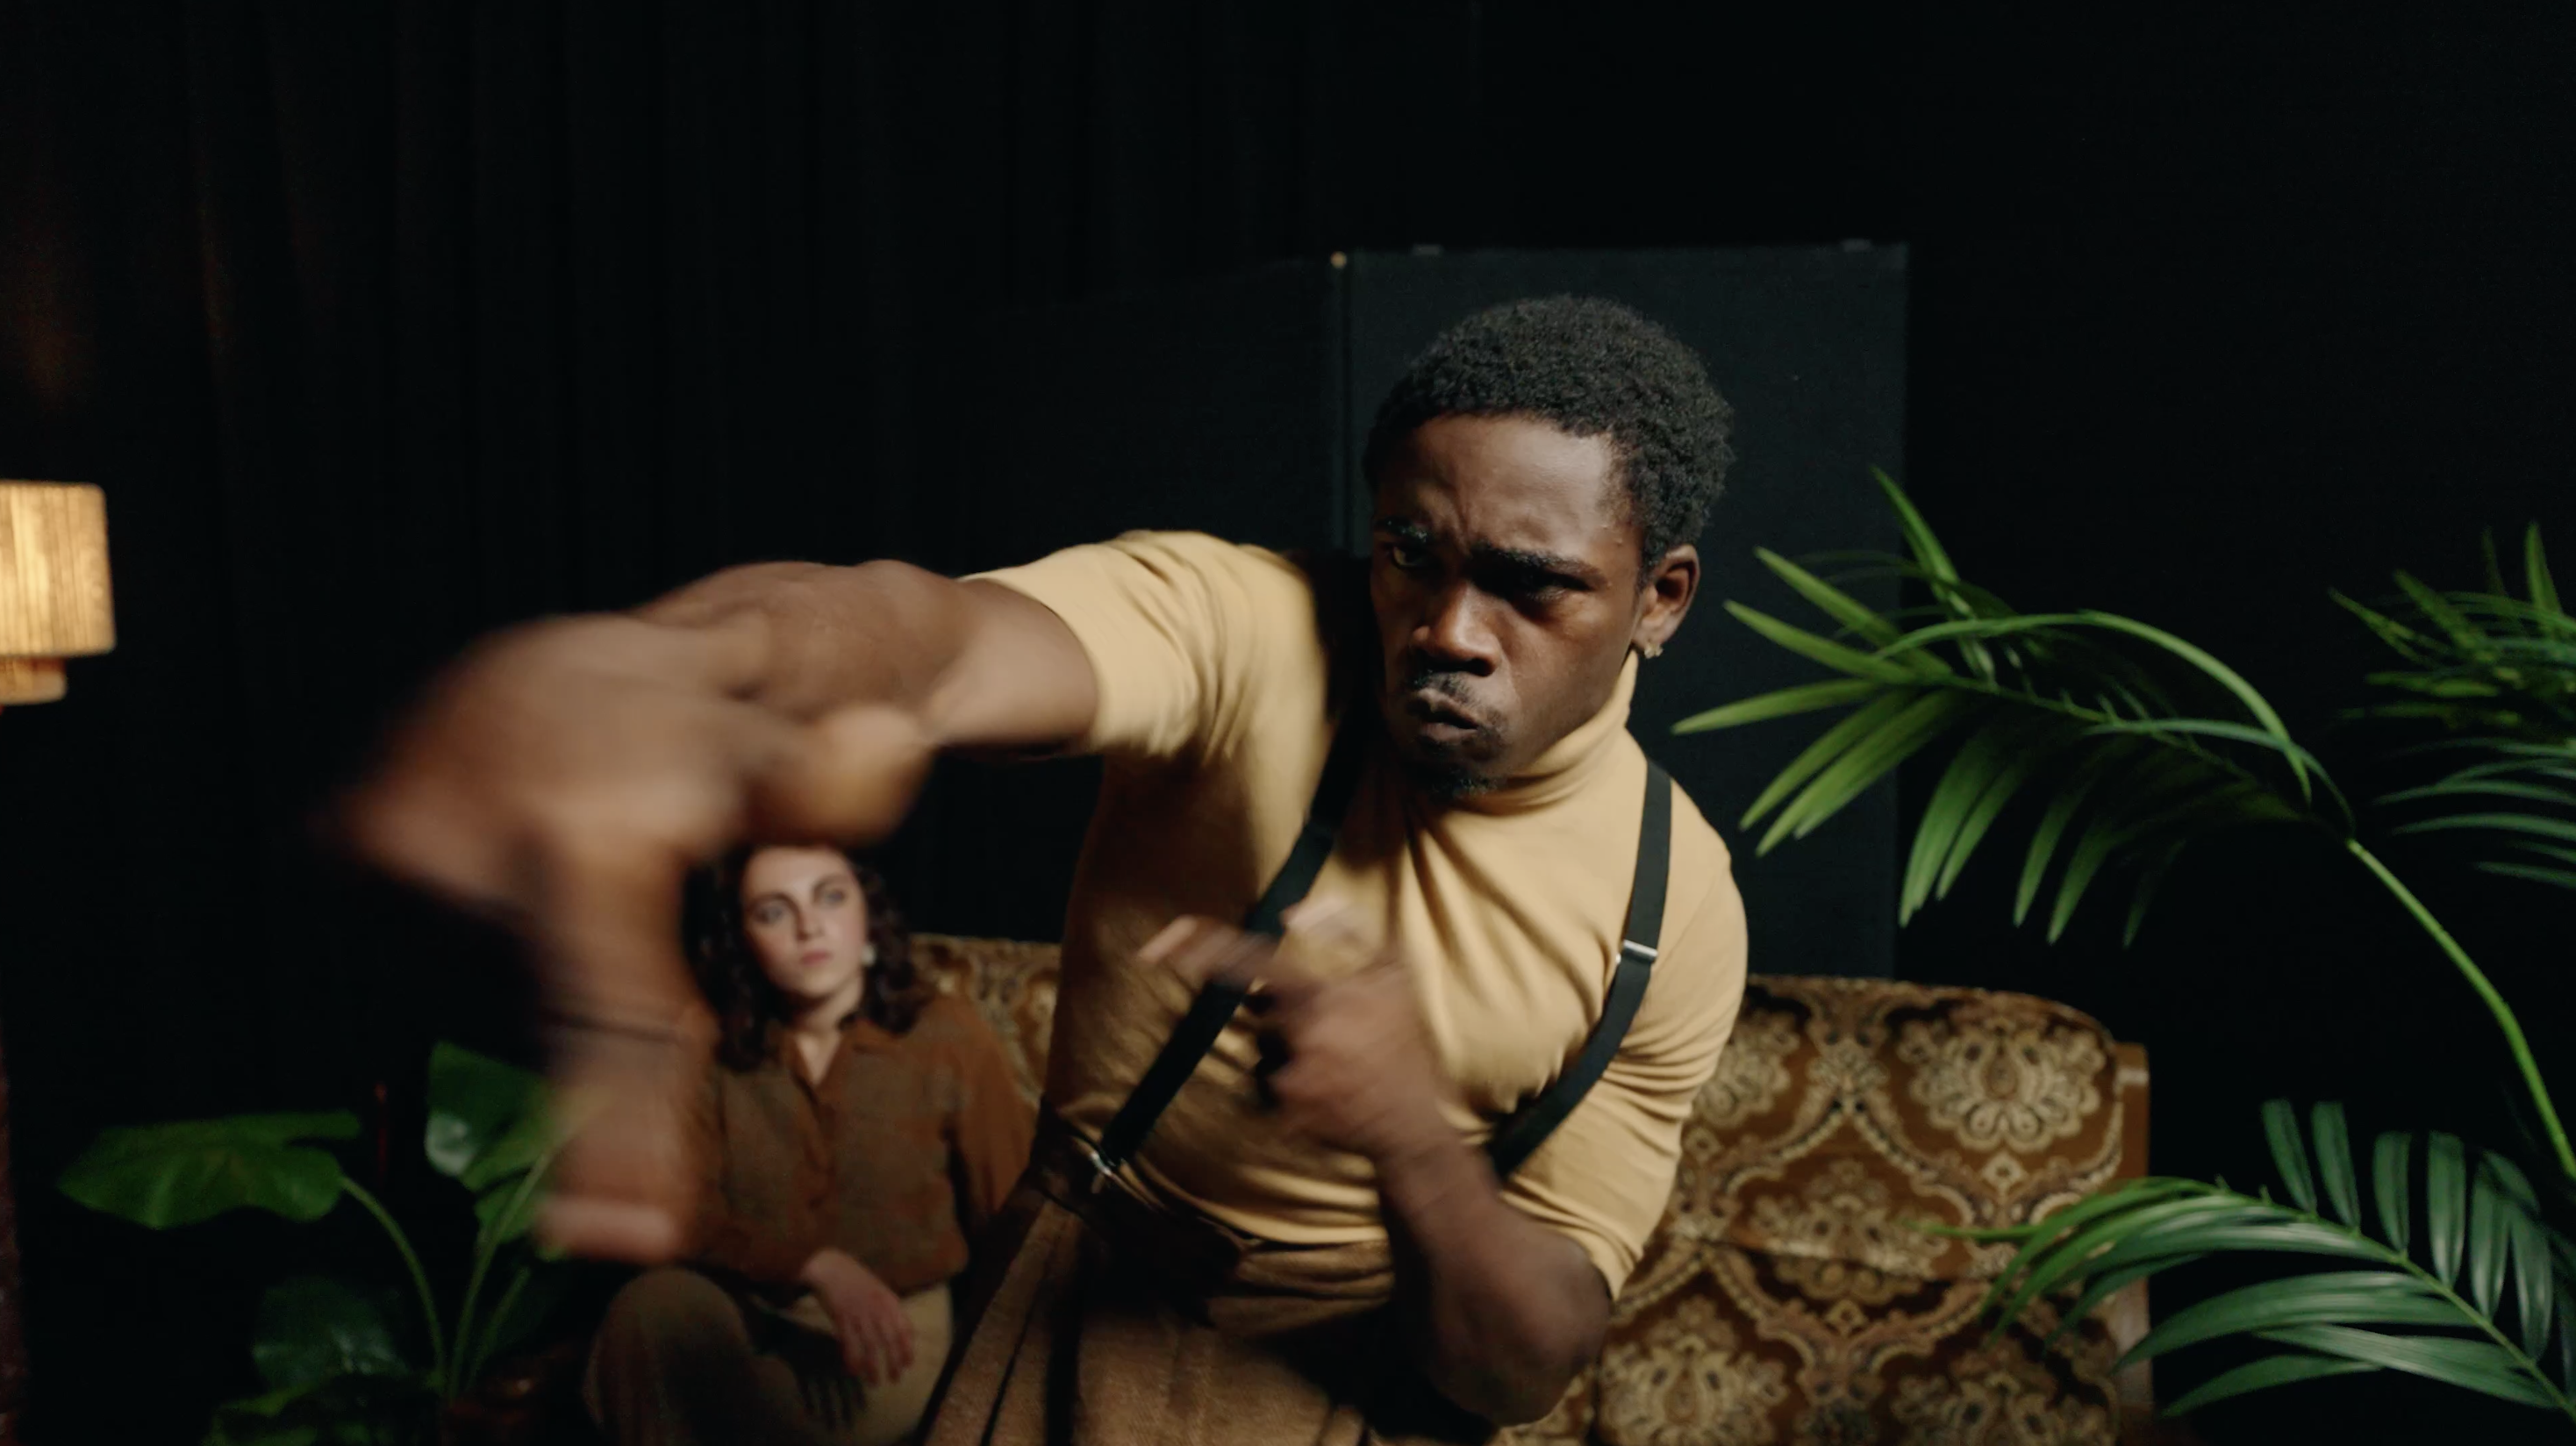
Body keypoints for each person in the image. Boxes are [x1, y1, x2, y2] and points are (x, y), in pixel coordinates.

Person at [348, 296, 1750, 1444]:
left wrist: (1407, 1138)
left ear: (1661, 598)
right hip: (1076, 1304)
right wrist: (704, 660)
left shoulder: (1669, 908)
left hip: (1352, 1387)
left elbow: (1520, 1370)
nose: (1448, 627)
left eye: (1531, 582)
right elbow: (933, 641)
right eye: (1411, 553)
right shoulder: (1253, 629)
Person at [583, 846, 1032, 1446]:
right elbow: (678, 1212)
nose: (809, 927)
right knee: (648, 1308)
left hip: (891, 1329)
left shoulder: (947, 1034)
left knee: (742, 1405)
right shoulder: (708, 1036)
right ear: (742, 937)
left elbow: (1009, 1217)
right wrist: (813, 1265)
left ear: (867, 910)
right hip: (743, 1308)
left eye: (830, 897)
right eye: (774, 911)